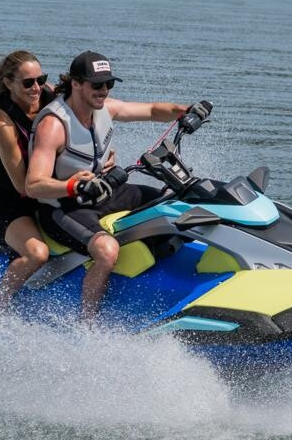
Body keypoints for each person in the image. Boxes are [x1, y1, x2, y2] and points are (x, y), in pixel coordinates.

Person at [22, 50, 189, 318]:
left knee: (172, 204)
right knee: (107, 251)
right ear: (76, 83)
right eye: (97, 85)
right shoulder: (53, 125)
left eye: (108, 84)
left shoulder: (105, 109)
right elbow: (34, 185)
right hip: (64, 207)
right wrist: (73, 186)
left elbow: (151, 110)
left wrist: (185, 111)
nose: (104, 91)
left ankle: (165, 278)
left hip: (103, 193)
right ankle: (88, 324)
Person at [0, 49, 55, 308]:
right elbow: (22, 185)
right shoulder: (2, 122)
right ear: (8, 83)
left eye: (41, 80)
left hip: (47, 193)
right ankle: (0, 306)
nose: (37, 88)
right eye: (28, 83)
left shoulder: (49, 95)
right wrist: (70, 185)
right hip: (11, 202)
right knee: (37, 254)